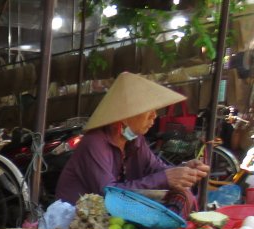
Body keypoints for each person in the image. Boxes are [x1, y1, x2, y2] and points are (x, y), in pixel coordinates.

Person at [56, 72, 210, 213]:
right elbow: (109, 193)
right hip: (76, 220)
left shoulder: (134, 140)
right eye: (148, 110)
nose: (154, 116)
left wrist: (183, 170)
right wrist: (164, 178)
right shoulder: (94, 143)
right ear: (124, 116)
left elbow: (155, 168)